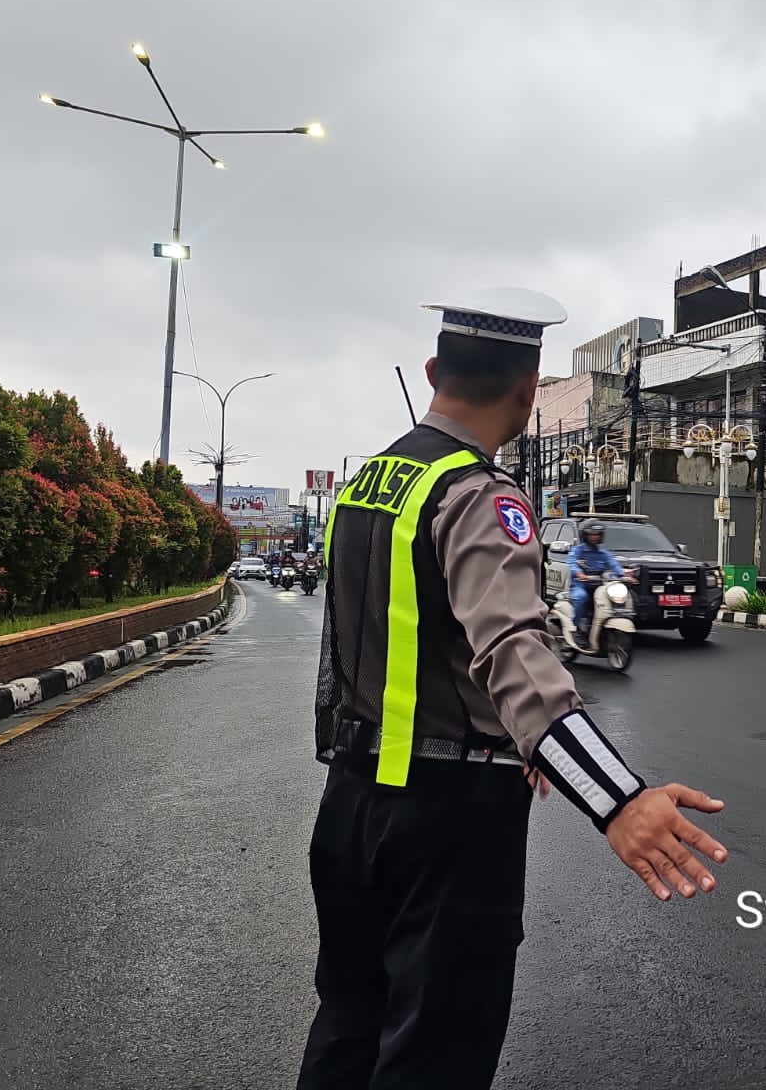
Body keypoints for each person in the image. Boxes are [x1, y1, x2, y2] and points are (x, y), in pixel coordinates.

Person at [298, 292, 729, 1090]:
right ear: (529, 393)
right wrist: (619, 799)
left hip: (351, 804)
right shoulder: (478, 496)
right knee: (434, 1056)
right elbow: (511, 653)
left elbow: (414, 639)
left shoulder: (366, 485)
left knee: (347, 1028)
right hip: (446, 822)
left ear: (435, 371)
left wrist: (511, 734)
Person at [568, 519, 627, 637]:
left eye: (597, 534)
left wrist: (624, 575)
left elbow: (614, 565)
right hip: (581, 584)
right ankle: (576, 628)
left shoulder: (603, 553)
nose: (595, 537)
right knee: (581, 597)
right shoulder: (578, 550)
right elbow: (572, 564)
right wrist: (579, 574)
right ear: (585, 535)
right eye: (592, 534)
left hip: (599, 585)